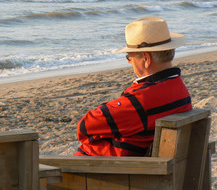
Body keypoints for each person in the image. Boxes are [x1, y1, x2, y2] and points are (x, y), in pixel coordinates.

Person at [75, 16, 192, 157]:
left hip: (108, 171)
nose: (129, 61)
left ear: (146, 59)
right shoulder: (178, 87)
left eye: (129, 56)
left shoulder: (141, 100)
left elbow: (84, 126)